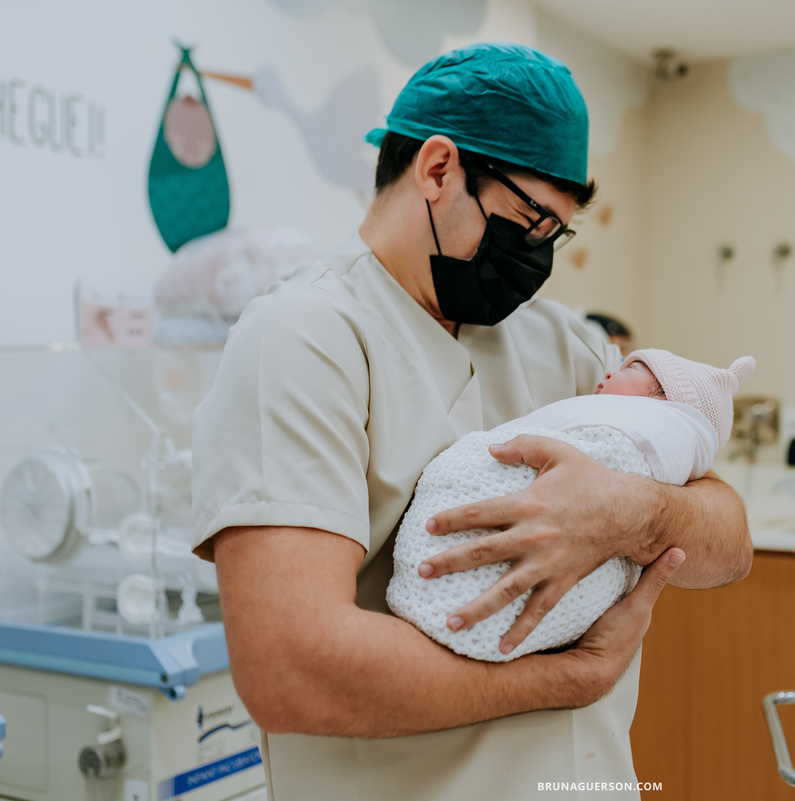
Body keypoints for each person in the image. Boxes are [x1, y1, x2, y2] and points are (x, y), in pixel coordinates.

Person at [191, 42, 752, 800]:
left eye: (557, 232)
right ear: (437, 169)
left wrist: (634, 511)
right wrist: (570, 675)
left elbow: (729, 540)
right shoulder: (302, 339)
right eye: (527, 220)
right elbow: (291, 671)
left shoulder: (566, 342)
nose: (537, 254)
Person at [388, 351, 756, 662]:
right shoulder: (343, 326)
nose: (609, 373)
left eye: (628, 370)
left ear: (662, 401)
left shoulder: (587, 350)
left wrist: (621, 508)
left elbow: (734, 548)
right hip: (415, 688)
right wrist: (587, 671)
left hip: (591, 737)